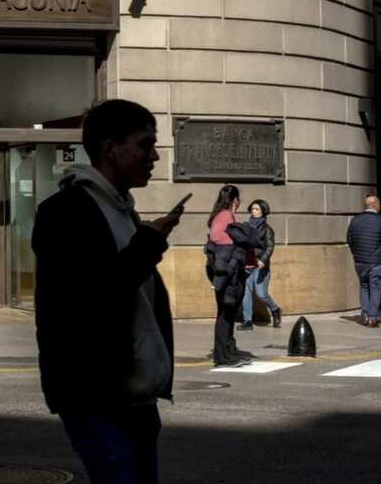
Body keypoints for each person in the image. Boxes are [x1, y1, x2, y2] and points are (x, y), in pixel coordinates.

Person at [32, 99, 182, 484]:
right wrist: (148, 244)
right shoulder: (65, 212)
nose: (155, 156)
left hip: (135, 395)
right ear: (110, 147)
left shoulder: (122, 210)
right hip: (95, 393)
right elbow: (92, 296)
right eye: (145, 144)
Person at [205, 185, 254, 366]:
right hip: (227, 272)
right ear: (235, 200)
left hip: (230, 271)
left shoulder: (224, 214)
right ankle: (223, 356)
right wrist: (238, 240)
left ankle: (229, 351)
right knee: (226, 313)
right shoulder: (225, 215)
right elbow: (216, 237)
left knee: (229, 312)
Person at [346, 194, 381, 327]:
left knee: (364, 286)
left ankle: (365, 314)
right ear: (377, 205)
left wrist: (356, 254)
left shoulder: (355, 220)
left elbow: (349, 239)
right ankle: (372, 317)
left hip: (360, 262)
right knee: (376, 288)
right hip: (377, 262)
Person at [239, 199, 282, 330]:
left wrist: (263, 260)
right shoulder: (246, 226)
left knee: (261, 293)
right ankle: (247, 321)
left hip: (259, 264)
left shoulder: (267, 229)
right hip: (247, 263)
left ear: (263, 211)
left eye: (257, 209)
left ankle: (275, 309)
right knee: (246, 292)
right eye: (252, 209)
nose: (254, 211)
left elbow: (270, 246)